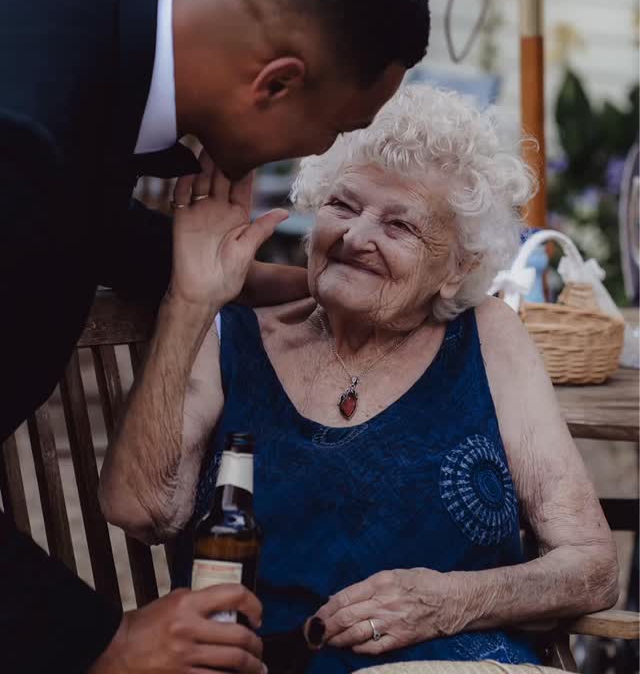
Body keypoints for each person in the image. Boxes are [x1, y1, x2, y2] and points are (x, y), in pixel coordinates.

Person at [0, 0, 430, 674]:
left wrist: (255, 280)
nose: (319, 149)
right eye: (332, 129)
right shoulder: (23, 140)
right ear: (275, 84)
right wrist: (102, 639)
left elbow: (71, 206)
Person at [101, 85, 619, 672]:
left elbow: (590, 564)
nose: (355, 236)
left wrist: (451, 601)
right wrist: (189, 300)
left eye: (399, 226)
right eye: (343, 206)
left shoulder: (488, 337)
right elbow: (141, 510)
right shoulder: (232, 335)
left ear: (458, 268)